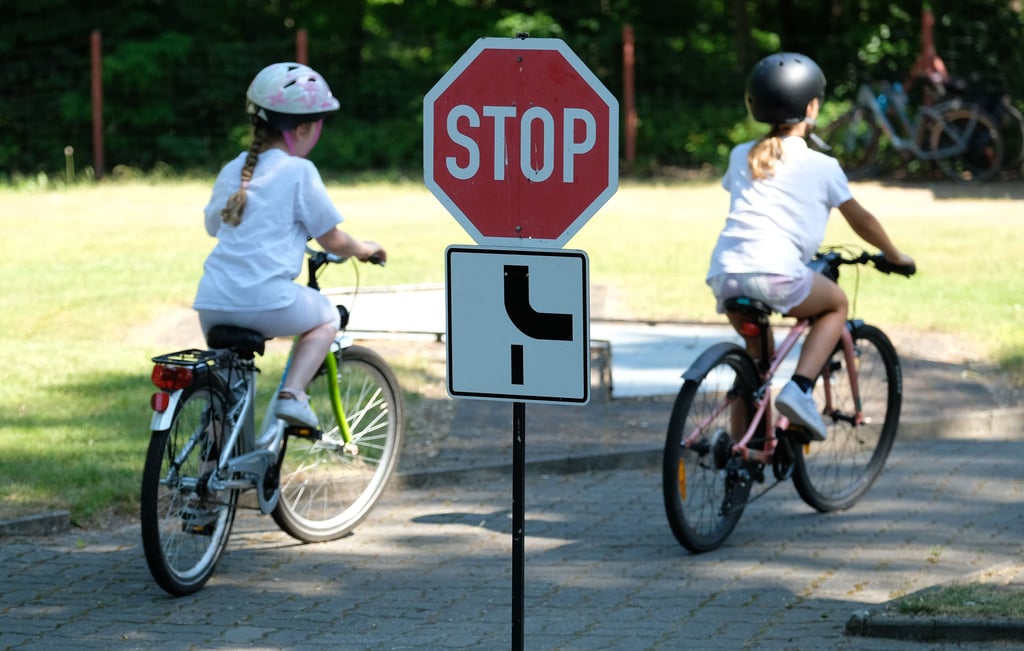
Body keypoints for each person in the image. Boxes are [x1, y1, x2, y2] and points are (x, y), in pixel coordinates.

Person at [706, 52, 914, 441]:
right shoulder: (821, 165)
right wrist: (895, 254)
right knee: (835, 303)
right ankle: (801, 390)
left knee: (755, 366)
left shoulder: (740, 156)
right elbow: (861, 219)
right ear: (812, 105)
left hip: (725, 273)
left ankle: (744, 453)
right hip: (775, 272)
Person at [193, 62, 386, 429]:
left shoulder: (233, 169)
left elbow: (212, 225)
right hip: (265, 301)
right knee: (327, 316)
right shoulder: (299, 172)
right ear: (302, 128)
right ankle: (293, 394)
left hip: (212, 301)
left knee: (225, 395)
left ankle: (213, 476)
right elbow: (332, 239)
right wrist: (365, 248)